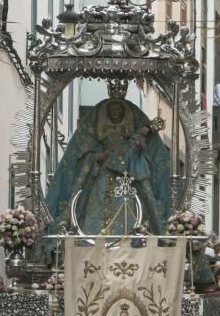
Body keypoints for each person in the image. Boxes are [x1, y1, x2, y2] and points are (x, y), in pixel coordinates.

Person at [44, 83, 171, 235]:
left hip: (125, 178)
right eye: (112, 110)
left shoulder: (130, 138)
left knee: (128, 206)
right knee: (95, 203)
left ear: (124, 113)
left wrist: (138, 143)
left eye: (118, 110)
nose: (115, 112)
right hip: (102, 174)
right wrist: (97, 157)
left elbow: (138, 149)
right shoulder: (98, 134)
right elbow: (83, 152)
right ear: (107, 113)